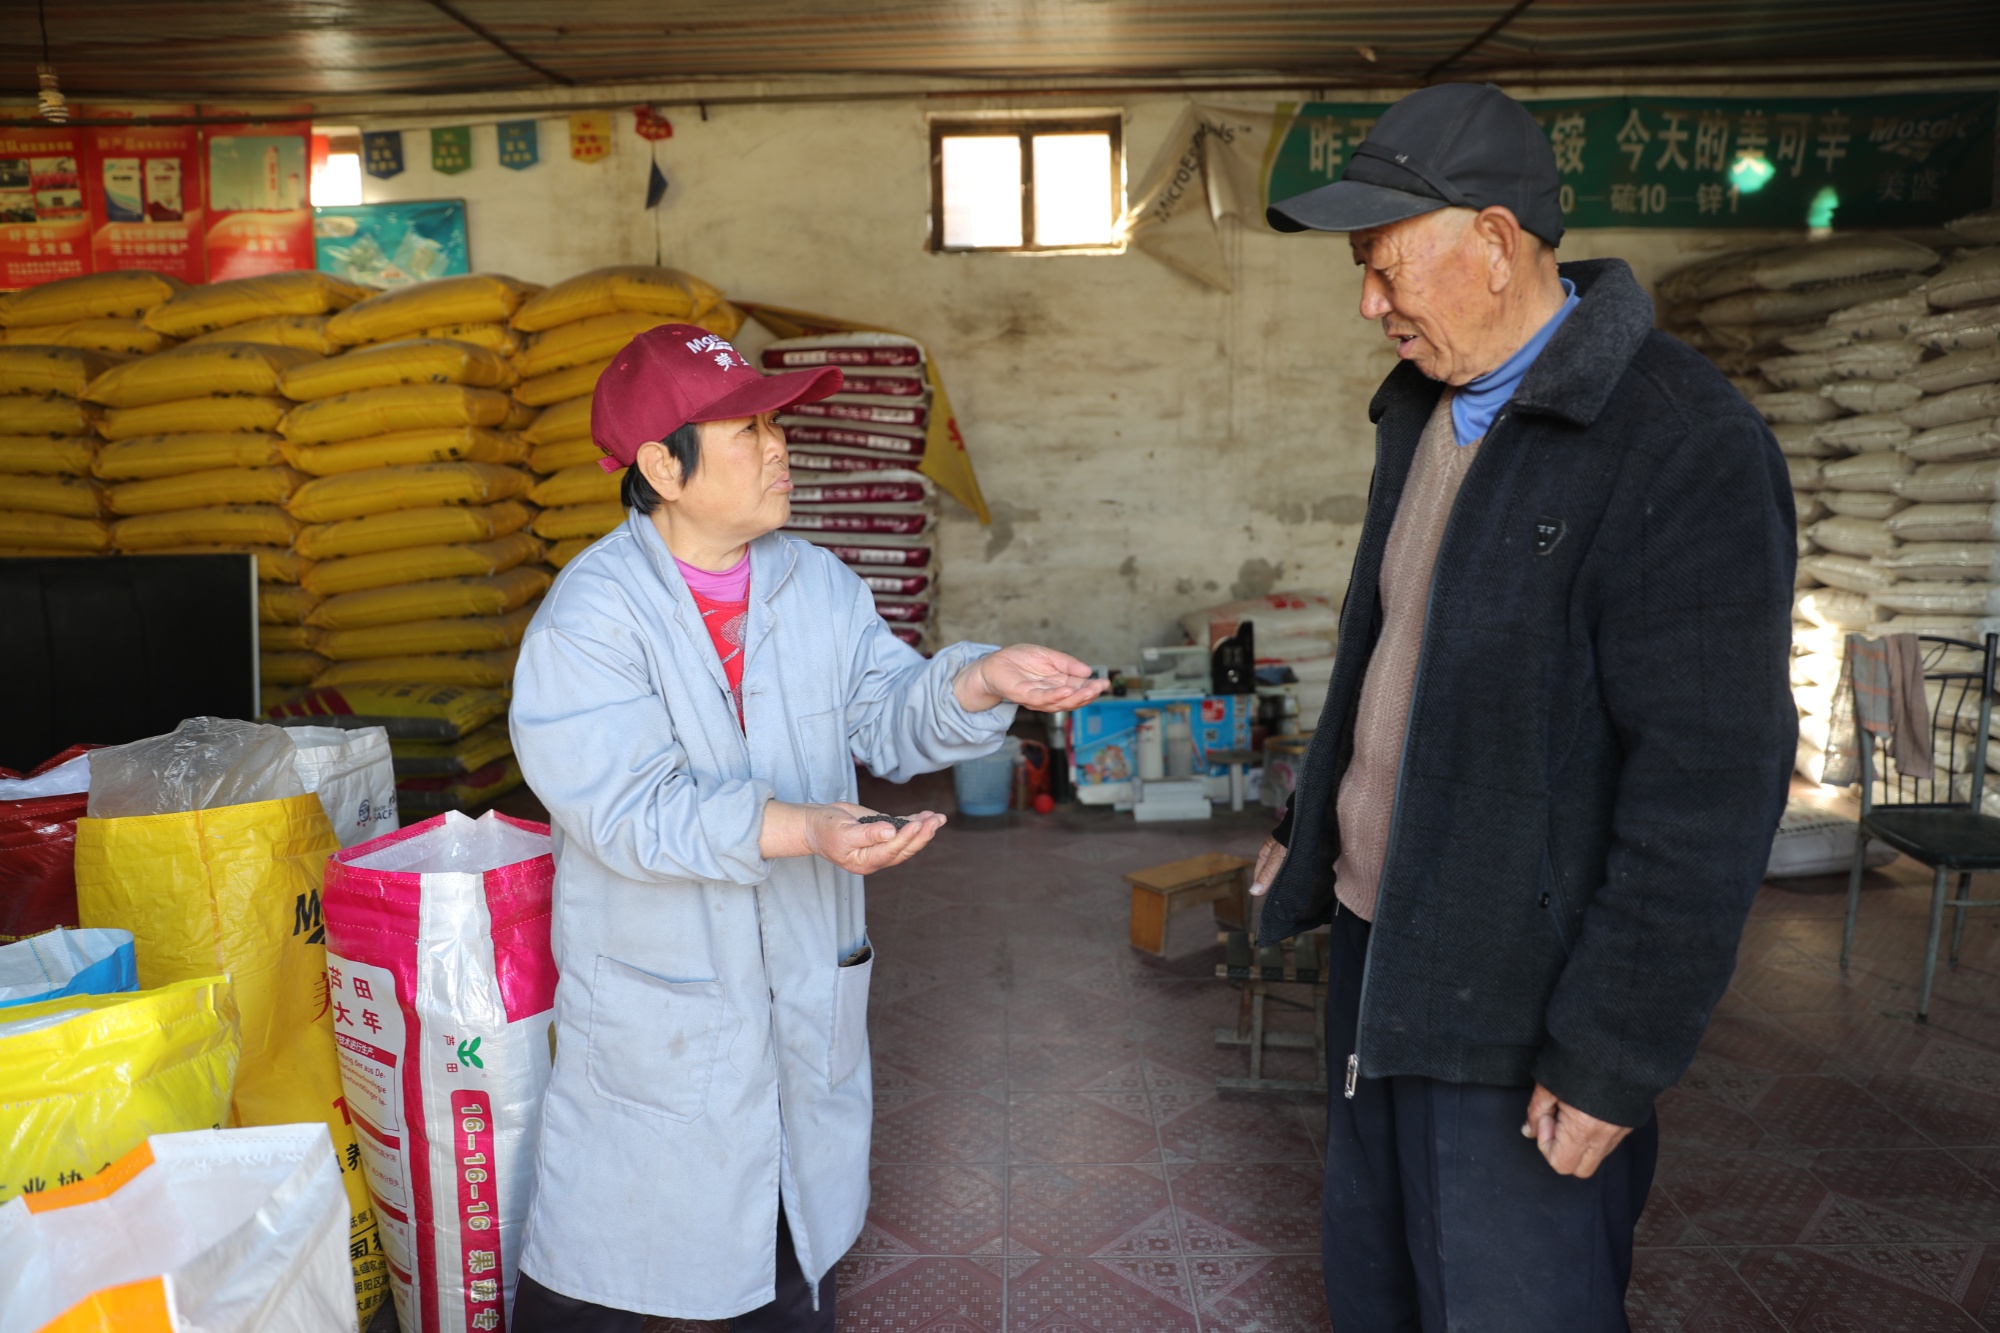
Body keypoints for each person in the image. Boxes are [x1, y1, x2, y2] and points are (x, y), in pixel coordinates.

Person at [1251, 83, 1795, 1331]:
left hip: (1517, 1004)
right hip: (1378, 954)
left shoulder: (1677, 441)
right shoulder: (1430, 413)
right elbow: (1388, 653)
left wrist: (1611, 1051)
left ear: (1492, 242)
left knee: (1510, 1304)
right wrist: (1317, 820)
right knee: (1377, 1282)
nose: (1366, 303)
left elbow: (1708, 787)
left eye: (1382, 267)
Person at [508, 324, 1105, 1330]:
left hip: (799, 1005)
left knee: (787, 1260)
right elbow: (627, 809)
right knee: (634, 1271)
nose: (778, 446)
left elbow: (886, 711)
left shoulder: (813, 583)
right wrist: (802, 829)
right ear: (662, 465)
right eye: (744, 429)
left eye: (773, 423)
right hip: (661, 1026)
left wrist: (973, 678)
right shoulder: (591, 619)